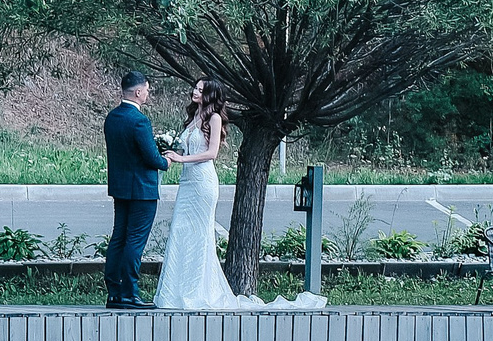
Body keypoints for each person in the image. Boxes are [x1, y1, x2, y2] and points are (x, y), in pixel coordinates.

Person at [154, 78, 329, 312]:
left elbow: (211, 153)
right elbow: (185, 147)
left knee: (200, 233)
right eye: (195, 88)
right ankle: (177, 291)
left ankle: (197, 292)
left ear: (210, 95)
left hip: (203, 182)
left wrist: (182, 159)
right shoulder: (193, 118)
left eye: (200, 89)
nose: (195, 91)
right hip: (186, 183)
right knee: (180, 230)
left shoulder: (214, 118)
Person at [101, 72, 165, 309]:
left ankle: (114, 292)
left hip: (120, 187)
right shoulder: (139, 121)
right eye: (147, 89)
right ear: (138, 92)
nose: (148, 93)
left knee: (118, 238)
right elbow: (151, 156)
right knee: (135, 241)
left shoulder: (113, 117)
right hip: (142, 189)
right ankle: (130, 292)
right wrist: (166, 161)